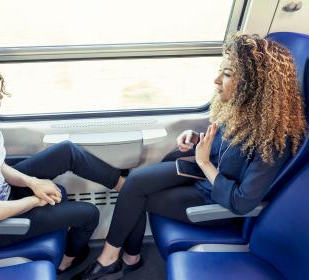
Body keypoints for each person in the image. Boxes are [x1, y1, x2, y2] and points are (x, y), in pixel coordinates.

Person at [74, 33, 307, 280]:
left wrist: (205, 162)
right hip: (203, 175)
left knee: (135, 195)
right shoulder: (242, 111)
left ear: (255, 84)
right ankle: (129, 257)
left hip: (215, 200)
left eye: (227, 74)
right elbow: (226, 149)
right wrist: (197, 138)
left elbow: (242, 202)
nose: (216, 81)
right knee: (135, 181)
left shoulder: (273, 140)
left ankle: (111, 260)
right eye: (221, 70)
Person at [0, 50, 126, 273]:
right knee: (88, 214)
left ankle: (125, 186)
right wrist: (35, 200)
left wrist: (33, 182)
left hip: (1, 192)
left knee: (66, 152)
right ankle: (65, 263)